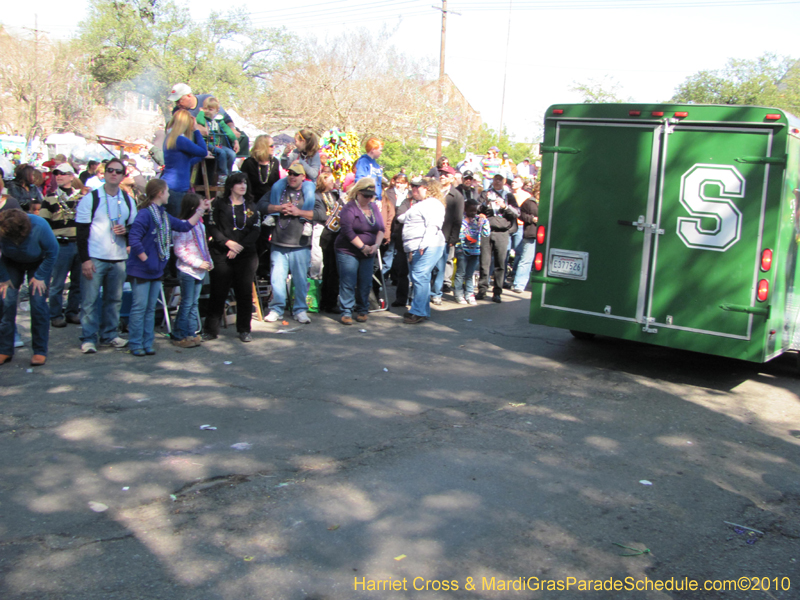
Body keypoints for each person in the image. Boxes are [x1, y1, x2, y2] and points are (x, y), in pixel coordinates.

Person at [125, 180, 210, 356]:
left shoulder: (163, 215)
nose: (169, 195)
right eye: (167, 192)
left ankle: (147, 343)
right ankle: (135, 343)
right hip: (142, 268)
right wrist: (145, 259)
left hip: (156, 269)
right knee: (140, 307)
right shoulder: (145, 214)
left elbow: (184, 226)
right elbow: (134, 239)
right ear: (159, 193)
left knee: (149, 308)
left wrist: (201, 210)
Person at [75, 157, 138, 354]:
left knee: (114, 299)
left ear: (123, 175)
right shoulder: (91, 198)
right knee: (90, 300)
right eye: (110, 170)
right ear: (104, 173)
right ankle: (88, 337)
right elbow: (81, 231)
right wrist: (85, 259)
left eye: (118, 171)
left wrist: (125, 231)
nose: (113, 173)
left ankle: (110, 334)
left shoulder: (128, 199)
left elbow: (135, 227)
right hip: (95, 256)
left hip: (118, 257)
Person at [204, 173, 262, 342]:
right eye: (239, 183)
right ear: (231, 186)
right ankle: (211, 329)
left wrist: (239, 247)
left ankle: (244, 329)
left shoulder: (252, 205)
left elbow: (255, 230)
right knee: (218, 291)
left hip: (245, 255)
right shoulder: (219, 204)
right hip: (222, 252)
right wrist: (227, 243)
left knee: (244, 292)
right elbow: (211, 226)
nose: (243, 186)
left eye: (245, 183)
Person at [263, 164, 324, 325]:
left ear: (303, 177)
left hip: (300, 244)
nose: (292, 176)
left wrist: (299, 212)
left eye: (296, 174)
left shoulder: (310, 191)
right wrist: (277, 208)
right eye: (290, 173)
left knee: (300, 280)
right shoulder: (279, 189)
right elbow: (260, 205)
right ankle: (276, 309)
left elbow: (321, 213)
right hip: (279, 242)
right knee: (277, 280)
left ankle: (300, 310)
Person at [0, 209, 59, 366]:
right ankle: (5, 349)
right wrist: (4, 279)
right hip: (10, 263)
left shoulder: (39, 225)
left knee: (38, 303)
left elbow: (53, 252)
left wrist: (40, 276)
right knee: (6, 302)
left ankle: (40, 351)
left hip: (38, 263)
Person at [334, 178, 384, 325]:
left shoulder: (374, 207)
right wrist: (362, 247)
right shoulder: (349, 208)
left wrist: (376, 245)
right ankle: (346, 311)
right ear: (358, 193)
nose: (369, 198)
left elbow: (381, 229)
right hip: (348, 250)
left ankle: (362, 310)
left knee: (365, 281)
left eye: (371, 196)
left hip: (369, 251)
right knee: (348, 281)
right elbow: (347, 231)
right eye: (366, 195)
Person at [39, 163, 84, 327]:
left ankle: (72, 312)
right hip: (61, 244)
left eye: (63, 173)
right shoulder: (49, 198)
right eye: (56, 173)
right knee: (57, 283)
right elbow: (43, 224)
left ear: (72, 176)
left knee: (77, 282)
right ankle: (55, 314)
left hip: (79, 244)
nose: (58, 176)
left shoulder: (81, 198)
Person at [398, 177, 445, 324]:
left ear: (427, 188)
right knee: (420, 277)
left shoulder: (432, 204)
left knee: (419, 276)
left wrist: (423, 245)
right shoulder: (421, 204)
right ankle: (422, 311)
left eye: (418, 187)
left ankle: (418, 311)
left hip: (427, 245)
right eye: (412, 187)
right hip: (418, 245)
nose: (414, 189)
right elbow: (403, 218)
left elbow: (434, 225)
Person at [172, 193, 214, 347]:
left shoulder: (200, 226)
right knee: (187, 302)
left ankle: (191, 333)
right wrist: (197, 263)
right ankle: (179, 334)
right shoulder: (181, 226)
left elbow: (204, 246)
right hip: (188, 270)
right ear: (192, 207)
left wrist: (208, 261)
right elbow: (180, 251)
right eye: (199, 206)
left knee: (194, 302)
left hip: (200, 270)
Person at [477, 174, 520, 303]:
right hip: (487, 231)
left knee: (500, 263)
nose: (497, 182)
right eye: (495, 179)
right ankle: (482, 290)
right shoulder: (486, 193)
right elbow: (477, 209)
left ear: (504, 181)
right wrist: (485, 204)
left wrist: (504, 206)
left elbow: (517, 212)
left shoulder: (509, 196)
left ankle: (497, 292)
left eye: (500, 180)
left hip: (502, 232)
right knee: (484, 262)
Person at [161, 109, 209, 216]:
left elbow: (186, 162)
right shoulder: (181, 140)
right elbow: (202, 151)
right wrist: (196, 130)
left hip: (169, 186)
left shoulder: (170, 138)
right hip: (177, 189)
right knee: (177, 223)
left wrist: (202, 157)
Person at [430, 165, 464, 304]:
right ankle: (424, 292)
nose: (442, 176)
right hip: (429, 234)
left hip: (444, 236)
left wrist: (453, 238)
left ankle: (436, 293)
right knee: (428, 266)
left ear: (451, 178)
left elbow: (458, 219)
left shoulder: (456, 196)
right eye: (441, 174)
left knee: (440, 266)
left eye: (445, 174)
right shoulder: (433, 192)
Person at [316, 172, 344, 313]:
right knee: (328, 269)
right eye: (331, 181)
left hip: (334, 234)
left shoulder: (334, 196)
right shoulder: (318, 196)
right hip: (324, 233)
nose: (334, 183)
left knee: (332, 270)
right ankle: (326, 301)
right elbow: (321, 214)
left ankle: (329, 300)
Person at [454, 199, 490, 304]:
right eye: (471, 211)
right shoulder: (462, 219)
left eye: (475, 211)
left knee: (470, 274)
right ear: (465, 209)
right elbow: (459, 235)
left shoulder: (478, 219)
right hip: (462, 250)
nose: (473, 213)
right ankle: (458, 293)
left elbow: (486, 233)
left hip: (475, 251)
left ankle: (469, 293)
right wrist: (465, 222)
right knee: (461, 273)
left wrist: (485, 222)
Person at [196, 97, 239, 182]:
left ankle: (228, 173)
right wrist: (201, 112)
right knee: (221, 153)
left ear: (217, 110)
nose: (208, 111)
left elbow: (227, 130)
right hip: (208, 144)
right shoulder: (203, 118)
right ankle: (222, 174)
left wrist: (235, 141)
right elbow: (198, 121)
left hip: (218, 144)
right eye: (205, 109)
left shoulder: (219, 120)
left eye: (210, 109)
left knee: (231, 154)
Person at [168, 83, 234, 137]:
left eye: (180, 100)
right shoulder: (177, 112)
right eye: (175, 102)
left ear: (189, 95)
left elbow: (226, 118)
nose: (177, 104)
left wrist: (232, 129)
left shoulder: (207, 100)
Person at [510, 181, 539, 293]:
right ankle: (519, 284)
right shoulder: (529, 202)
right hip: (531, 233)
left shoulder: (548, 201)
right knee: (526, 259)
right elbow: (520, 214)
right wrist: (531, 219)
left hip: (545, 234)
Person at [280, 129, 321, 203]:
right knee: (277, 186)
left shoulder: (314, 154)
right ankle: (275, 212)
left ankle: (305, 213)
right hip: (293, 180)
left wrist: (301, 162)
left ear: (303, 142)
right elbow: (286, 166)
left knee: (309, 191)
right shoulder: (296, 152)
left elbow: (314, 174)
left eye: (296, 141)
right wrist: (284, 155)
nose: (295, 144)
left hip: (308, 182)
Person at [380, 174, 407, 280]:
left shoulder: (409, 195)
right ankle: (384, 276)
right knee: (389, 253)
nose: (399, 185)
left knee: (399, 255)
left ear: (406, 184)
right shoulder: (388, 193)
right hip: (391, 228)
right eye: (398, 182)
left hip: (402, 229)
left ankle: (395, 278)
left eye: (402, 183)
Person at [240, 135, 280, 205]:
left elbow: (277, 183)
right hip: (252, 201)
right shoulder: (249, 163)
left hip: (270, 201)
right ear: (263, 147)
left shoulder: (274, 162)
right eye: (271, 145)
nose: (274, 147)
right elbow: (243, 183)